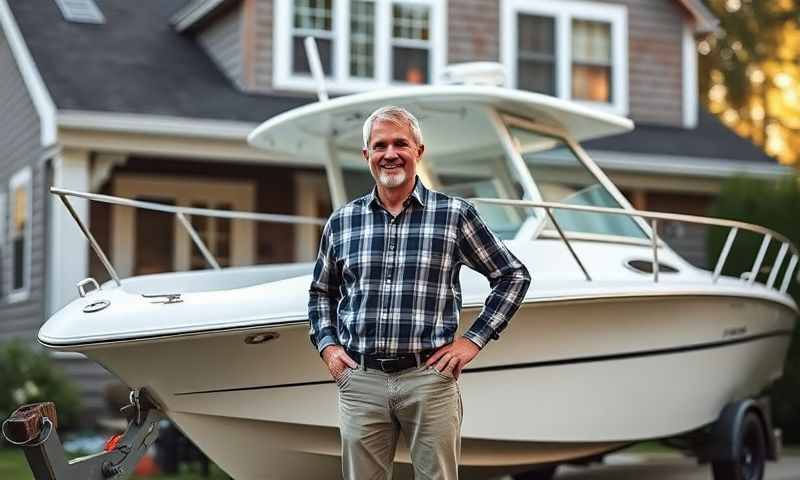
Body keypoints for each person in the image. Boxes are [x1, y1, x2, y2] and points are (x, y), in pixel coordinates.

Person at [308, 105, 531, 480]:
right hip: (360, 380)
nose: (390, 154)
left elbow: (513, 275)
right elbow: (320, 293)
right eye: (380, 145)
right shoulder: (342, 222)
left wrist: (473, 341)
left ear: (418, 151)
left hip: (429, 378)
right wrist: (329, 349)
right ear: (367, 155)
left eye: (400, 143)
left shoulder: (455, 215)